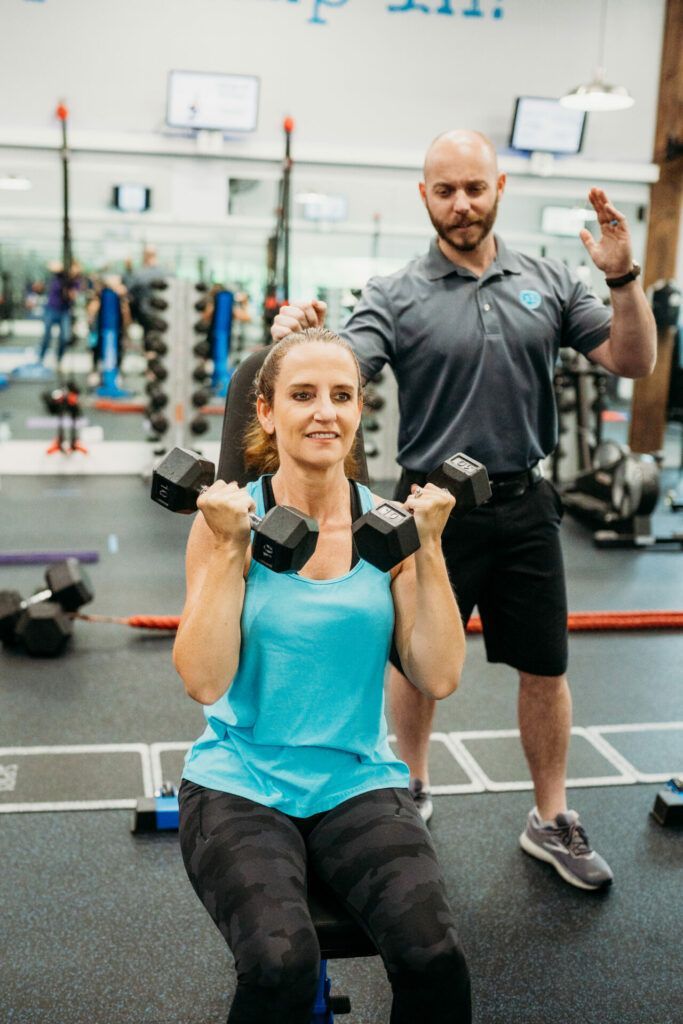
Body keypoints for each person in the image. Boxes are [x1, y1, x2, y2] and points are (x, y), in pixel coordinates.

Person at [271, 130, 657, 892]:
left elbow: (633, 360)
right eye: (444, 190)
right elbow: (336, 372)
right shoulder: (393, 292)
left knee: (544, 666)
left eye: (473, 188)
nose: (461, 205)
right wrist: (297, 339)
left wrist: (624, 280)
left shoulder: (546, 278)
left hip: (524, 503)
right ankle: (408, 789)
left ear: (499, 187)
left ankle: (549, 819)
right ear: (424, 195)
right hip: (427, 509)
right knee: (414, 667)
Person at [174, 327, 472, 1024]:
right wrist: (227, 552)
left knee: (435, 960)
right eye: (302, 395)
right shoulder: (229, 522)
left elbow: (438, 674)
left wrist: (427, 548)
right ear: (267, 412)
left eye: (341, 396)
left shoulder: (387, 527)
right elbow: (203, 681)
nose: (324, 413)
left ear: (360, 410)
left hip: (356, 780)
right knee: (281, 966)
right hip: (239, 782)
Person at [37, 260, 81, 364]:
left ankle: (59, 359)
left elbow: (73, 296)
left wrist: (69, 286)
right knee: (47, 336)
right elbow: (51, 265)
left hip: (65, 311)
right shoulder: (59, 275)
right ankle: (41, 358)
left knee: (64, 337)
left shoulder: (75, 282)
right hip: (51, 309)